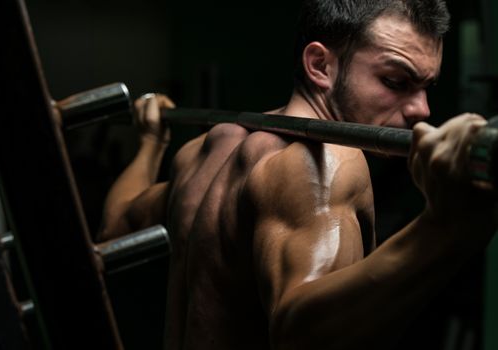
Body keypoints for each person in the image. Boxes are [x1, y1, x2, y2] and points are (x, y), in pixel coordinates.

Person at [99, 1, 497, 349]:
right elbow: (301, 335)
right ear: (320, 64)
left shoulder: (206, 152)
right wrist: (446, 226)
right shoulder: (325, 161)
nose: (422, 110)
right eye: (396, 81)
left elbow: (116, 226)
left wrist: (150, 143)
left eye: (427, 87)